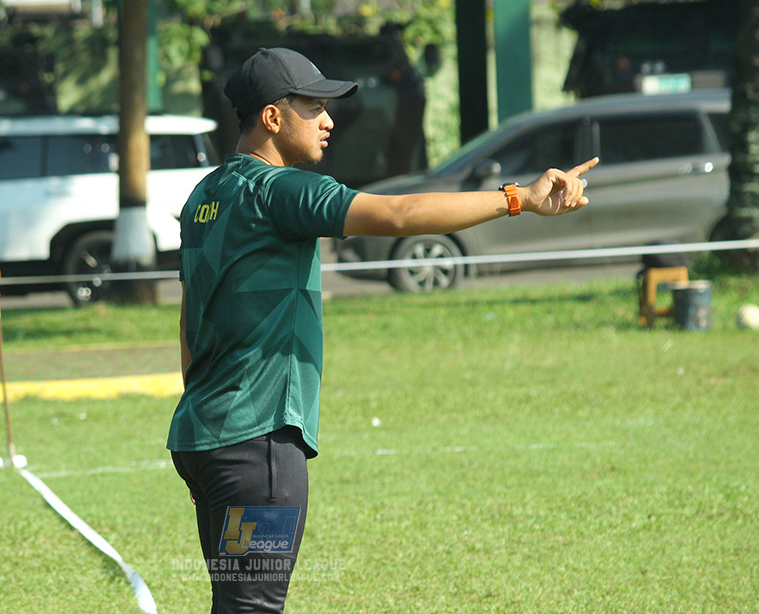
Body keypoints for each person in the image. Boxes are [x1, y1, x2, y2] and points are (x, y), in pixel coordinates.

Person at [168, 47, 598, 613]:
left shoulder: (207, 192)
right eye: (314, 106)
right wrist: (516, 198)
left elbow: (187, 327)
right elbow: (396, 217)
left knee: (238, 604)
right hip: (258, 449)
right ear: (273, 117)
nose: (329, 120)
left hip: (206, 438)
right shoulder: (281, 192)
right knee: (252, 609)